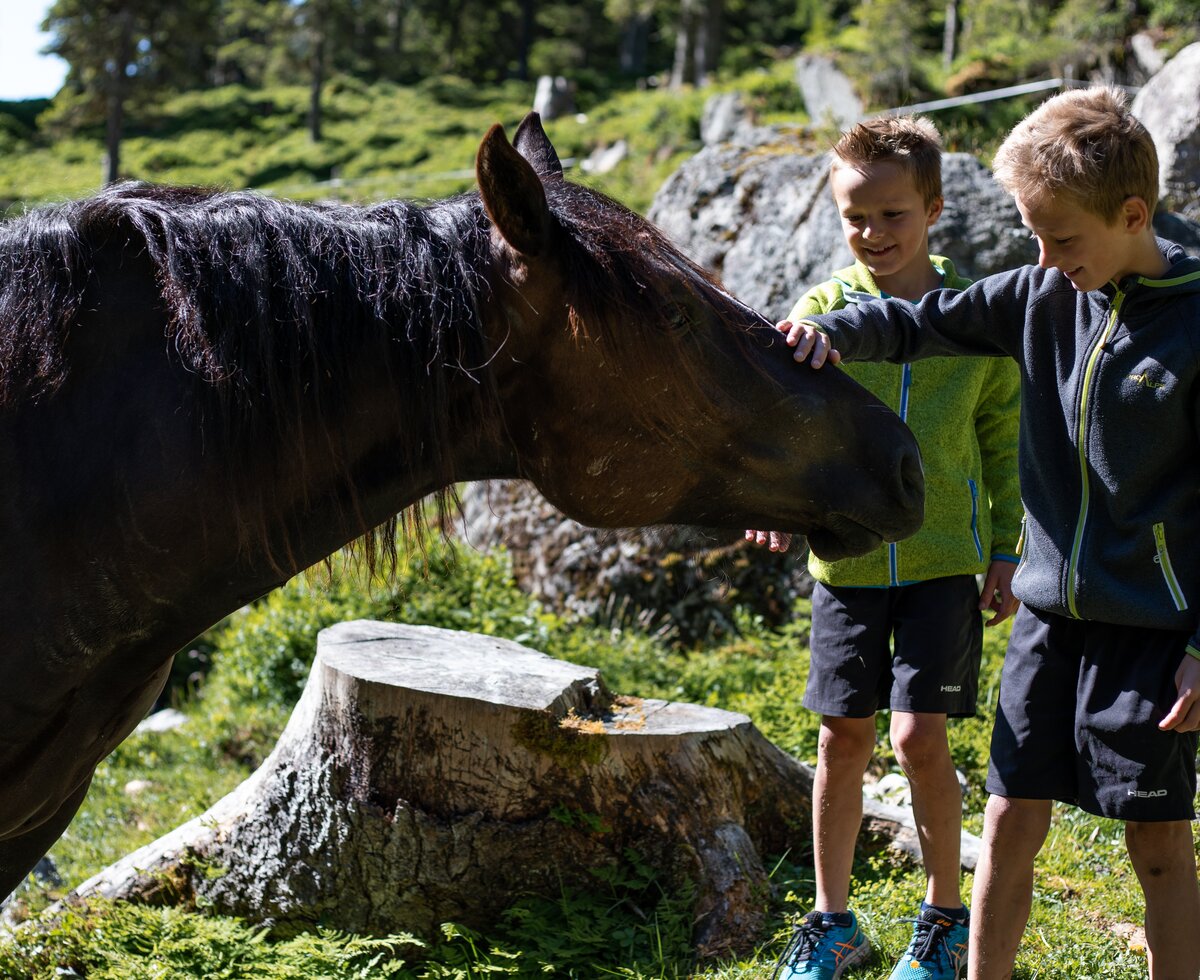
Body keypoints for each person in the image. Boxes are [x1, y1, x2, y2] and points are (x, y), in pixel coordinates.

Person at [780, 86, 1200, 980]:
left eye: (1061, 239)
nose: (1042, 260)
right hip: (1049, 616)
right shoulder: (1044, 290)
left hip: (1153, 628)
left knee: (1158, 840)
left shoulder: (1195, 324)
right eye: (1031, 238)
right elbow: (914, 320)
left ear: (1133, 214)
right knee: (1010, 816)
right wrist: (828, 333)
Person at [749, 115, 1023, 980]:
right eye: (854, 218)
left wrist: (1007, 548)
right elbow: (780, 419)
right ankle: (834, 922)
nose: (872, 234)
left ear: (934, 208)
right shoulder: (821, 314)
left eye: (892, 215)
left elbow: (1001, 436)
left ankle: (944, 917)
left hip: (945, 559)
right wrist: (777, 498)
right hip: (848, 559)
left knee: (918, 737)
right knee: (841, 736)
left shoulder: (976, 316)